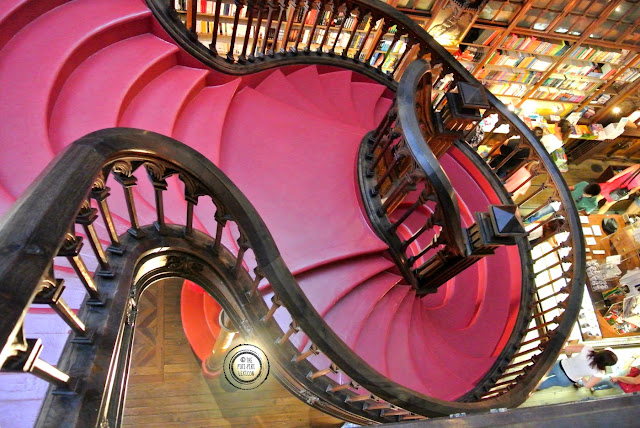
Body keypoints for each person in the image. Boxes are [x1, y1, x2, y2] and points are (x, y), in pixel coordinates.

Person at [537, 344, 618, 390]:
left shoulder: (588, 350)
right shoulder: (600, 372)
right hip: (567, 379)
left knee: (540, 373)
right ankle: (531, 389)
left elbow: (568, 348)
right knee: (547, 383)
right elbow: (587, 385)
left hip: (560, 366)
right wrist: (582, 377)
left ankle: (528, 379)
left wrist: (569, 356)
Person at [524, 181, 601, 224]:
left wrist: (575, 211)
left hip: (566, 212)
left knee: (552, 221)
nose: (583, 194)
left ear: (593, 195)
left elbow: (585, 212)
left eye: (586, 194)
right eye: (584, 192)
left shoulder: (593, 204)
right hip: (559, 202)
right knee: (541, 212)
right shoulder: (583, 184)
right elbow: (572, 187)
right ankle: (529, 221)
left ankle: (540, 226)